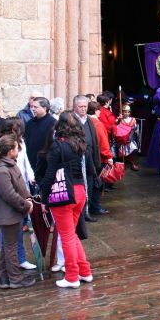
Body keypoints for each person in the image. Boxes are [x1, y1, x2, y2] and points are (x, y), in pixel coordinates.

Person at [40, 111, 93, 288]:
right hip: (80, 192)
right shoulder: (80, 144)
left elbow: (50, 174)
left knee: (67, 237)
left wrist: (44, 198)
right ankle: (84, 271)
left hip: (64, 194)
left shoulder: (58, 145)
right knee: (73, 235)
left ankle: (72, 276)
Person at [0, 134, 35, 289]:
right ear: (10, 151)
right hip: (7, 214)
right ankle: (15, 278)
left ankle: (4, 276)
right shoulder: (2, 171)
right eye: (16, 147)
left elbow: (19, 186)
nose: (18, 150)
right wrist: (26, 205)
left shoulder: (8, 165)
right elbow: (10, 195)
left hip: (11, 213)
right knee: (10, 247)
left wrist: (28, 198)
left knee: (8, 246)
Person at [0, 117, 36, 271]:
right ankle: (8, 265)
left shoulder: (21, 143)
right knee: (7, 235)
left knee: (20, 228)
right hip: (8, 194)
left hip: (22, 189)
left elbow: (26, 163)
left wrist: (31, 177)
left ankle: (21, 258)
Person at [72, 95, 104, 218]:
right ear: (75, 107)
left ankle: (87, 212)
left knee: (90, 186)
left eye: (85, 106)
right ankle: (80, 213)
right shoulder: (72, 121)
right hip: (78, 160)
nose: (83, 109)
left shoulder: (89, 120)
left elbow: (95, 140)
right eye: (80, 107)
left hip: (90, 159)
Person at [24, 97, 55, 172]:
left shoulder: (53, 123)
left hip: (46, 163)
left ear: (44, 108)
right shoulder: (29, 123)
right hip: (31, 161)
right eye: (32, 107)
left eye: (36, 107)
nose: (33, 109)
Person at [116, 104, 139, 171]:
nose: (127, 113)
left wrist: (130, 138)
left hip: (130, 138)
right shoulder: (120, 119)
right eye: (125, 112)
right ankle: (122, 166)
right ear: (122, 112)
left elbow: (134, 130)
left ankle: (133, 164)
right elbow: (116, 128)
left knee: (134, 150)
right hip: (122, 140)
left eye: (128, 112)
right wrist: (118, 120)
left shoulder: (133, 119)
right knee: (121, 153)